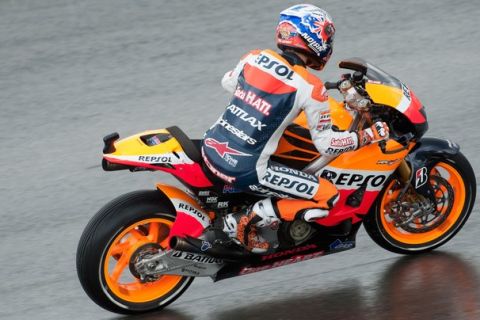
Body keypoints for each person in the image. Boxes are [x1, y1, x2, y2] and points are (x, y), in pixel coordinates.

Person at [201, 4, 389, 253]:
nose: (327, 41)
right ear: (313, 37)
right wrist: (367, 135)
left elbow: (229, 82)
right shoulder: (311, 87)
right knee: (328, 196)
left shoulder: (254, 57)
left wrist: (262, 102)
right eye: (326, 35)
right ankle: (243, 221)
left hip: (211, 148)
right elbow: (328, 144)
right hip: (247, 169)